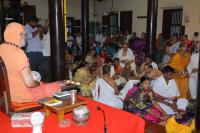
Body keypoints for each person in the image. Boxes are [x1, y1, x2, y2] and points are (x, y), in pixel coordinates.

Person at [0, 22, 61, 103]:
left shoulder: (1, 48)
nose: (26, 37)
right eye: (24, 35)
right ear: (18, 35)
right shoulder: (19, 53)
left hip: (5, 95)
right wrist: (38, 83)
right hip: (22, 96)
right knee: (57, 86)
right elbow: (30, 83)